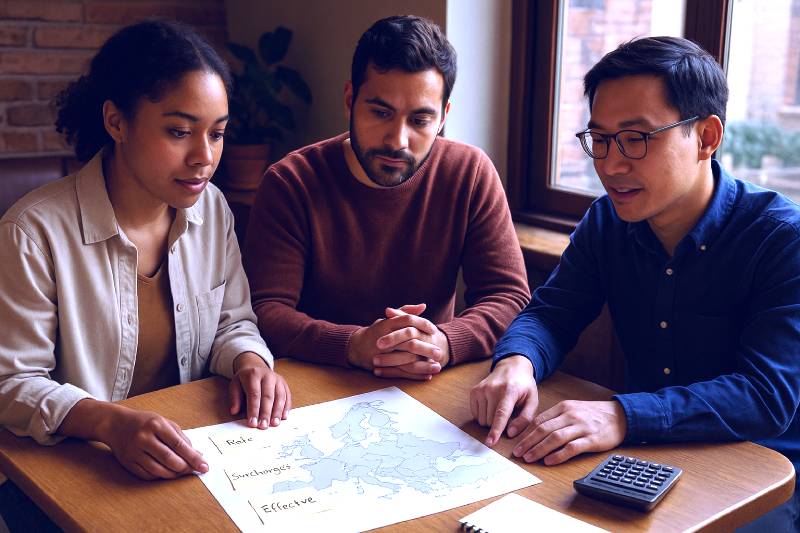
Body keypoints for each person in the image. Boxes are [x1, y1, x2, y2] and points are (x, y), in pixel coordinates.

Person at [470, 36, 799, 530]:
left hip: (760, 471)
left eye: (636, 138)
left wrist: (621, 416)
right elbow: (552, 313)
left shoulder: (781, 238)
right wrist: (518, 362)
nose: (611, 165)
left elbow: (766, 395)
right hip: (642, 455)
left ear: (707, 137)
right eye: (600, 139)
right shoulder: (607, 221)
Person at [0, 21, 292, 527]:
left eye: (217, 133)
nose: (204, 157)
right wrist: (108, 423)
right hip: (70, 471)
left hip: (188, 458)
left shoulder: (213, 210)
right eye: (179, 132)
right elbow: (11, 383)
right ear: (116, 121)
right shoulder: (32, 232)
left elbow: (232, 322)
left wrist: (249, 361)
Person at [243, 15, 530, 381]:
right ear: (350, 100)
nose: (398, 140)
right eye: (381, 113)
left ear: (443, 117)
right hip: (316, 383)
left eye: (420, 121)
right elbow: (265, 310)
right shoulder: (291, 182)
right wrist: (352, 344)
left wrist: (443, 342)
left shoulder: (469, 173)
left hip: (428, 381)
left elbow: (509, 297)